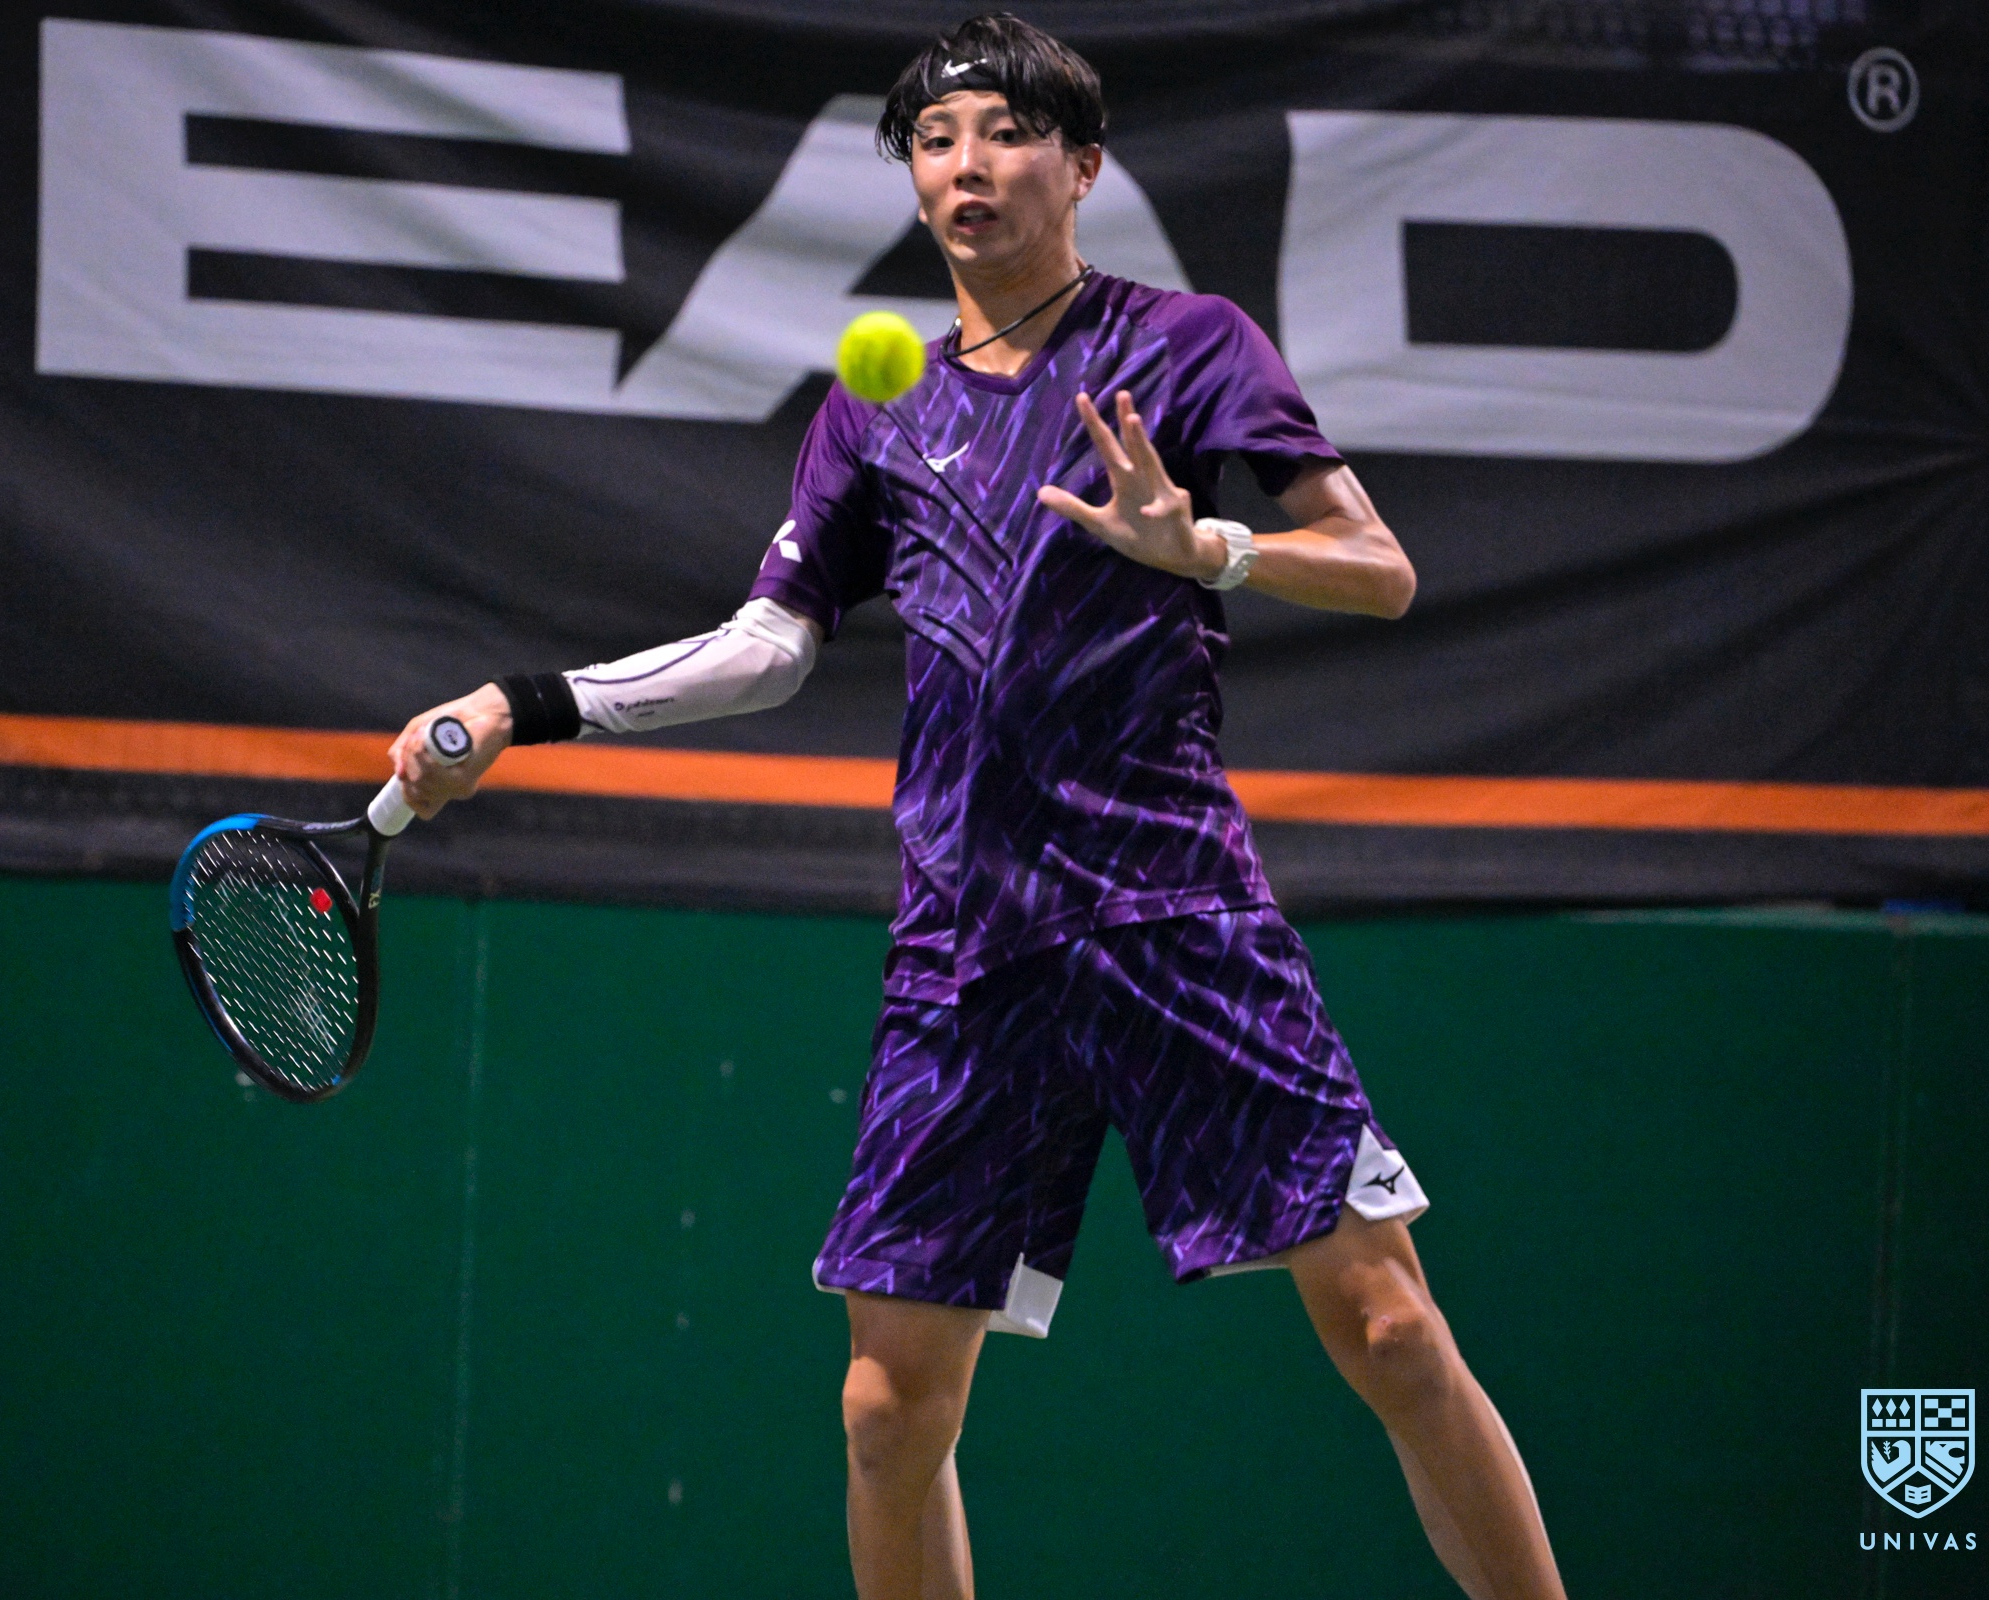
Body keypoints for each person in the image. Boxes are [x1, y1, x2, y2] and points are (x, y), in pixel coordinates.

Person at [390, 14, 1566, 1600]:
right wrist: (527, 705)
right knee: (887, 1411)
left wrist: (1207, 549)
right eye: (938, 141)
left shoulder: (1189, 344)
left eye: (1008, 133)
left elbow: (1382, 569)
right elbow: (768, 647)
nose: (969, 166)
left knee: (1392, 1328)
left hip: (1173, 913)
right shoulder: (876, 407)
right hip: (969, 946)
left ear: (1082, 168)